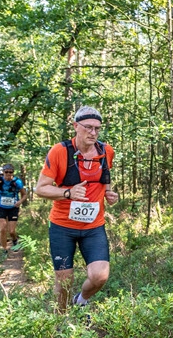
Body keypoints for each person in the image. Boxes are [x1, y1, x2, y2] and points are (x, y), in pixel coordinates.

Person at [34, 106, 118, 313]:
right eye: (88, 127)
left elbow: (105, 177)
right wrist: (68, 193)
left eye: (97, 128)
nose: (93, 132)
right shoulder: (59, 151)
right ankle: (60, 319)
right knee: (64, 280)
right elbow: (40, 189)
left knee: (100, 276)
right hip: (63, 226)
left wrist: (109, 193)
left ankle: (81, 299)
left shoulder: (106, 151)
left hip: (93, 226)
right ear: (76, 127)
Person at [0, 163, 27, 252]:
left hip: (13, 207)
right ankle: (4, 249)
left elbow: (24, 194)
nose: (9, 174)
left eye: (11, 172)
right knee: (2, 229)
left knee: (11, 231)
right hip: (0, 206)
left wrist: (20, 202)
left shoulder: (17, 182)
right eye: (7, 172)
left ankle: (14, 240)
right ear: (3, 172)